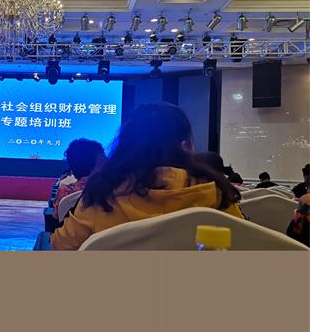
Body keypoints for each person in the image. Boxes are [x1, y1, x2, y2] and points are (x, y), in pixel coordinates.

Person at [50, 103, 243, 250]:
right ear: (186, 145)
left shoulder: (102, 193)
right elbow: (246, 241)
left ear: (125, 144)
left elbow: (62, 245)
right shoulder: (214, 192)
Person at [53, 138, 104, 220]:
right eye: (104, 157)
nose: (108, 160)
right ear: (97, 163)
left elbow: (56, 216)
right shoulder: (112, 191)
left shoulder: (64, 191)